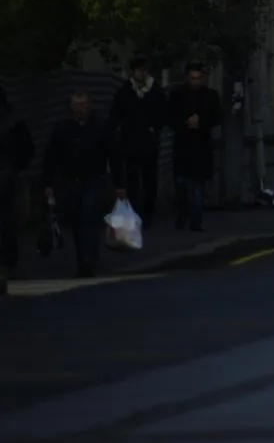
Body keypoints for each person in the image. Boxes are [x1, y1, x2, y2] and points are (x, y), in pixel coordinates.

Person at [44, 90, 114, 278]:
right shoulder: (63, 128)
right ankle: (85, 257)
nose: (79, 109)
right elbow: (51, 156)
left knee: (88, 218)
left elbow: (113, 154)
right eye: (76, 105)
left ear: (89, 106)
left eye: (83, 104)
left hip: (94, 179)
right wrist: (48, 182)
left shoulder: (100, 126)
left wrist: (119, 183)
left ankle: (87, 261)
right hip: (70, 180)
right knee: (77, 221)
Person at [110, 56, 169, 223]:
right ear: (133, 71)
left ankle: (149, 211)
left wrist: (154, 128)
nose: (142, 73)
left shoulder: (155, 90)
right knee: (132, 181)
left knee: (150, 180)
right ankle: (136, 213)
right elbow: (116, 114)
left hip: (149, 144)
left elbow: (163, 114)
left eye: (144, 70)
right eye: (138, 70)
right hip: (130, 143)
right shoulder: (125, 91)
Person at [168, 63, 222, 232]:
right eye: (192, 78)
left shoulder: (211, 96)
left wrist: (201, 122)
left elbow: (217, 117)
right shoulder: (177, 96)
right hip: (183, 146)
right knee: (181, 186)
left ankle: (195, 221)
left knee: (198, 187)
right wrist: (185, 124)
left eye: (198, 79)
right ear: (187, 78)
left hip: (201, 146)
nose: (195, 82)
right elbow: (170, 119)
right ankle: (182, 215)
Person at [1, 85, 34, 296]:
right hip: (8, 176)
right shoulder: (14, 119)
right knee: (7, 221)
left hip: (7, 175)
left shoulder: (13, 121)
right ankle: (8, 263)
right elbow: (27, 149)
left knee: (6, 221)